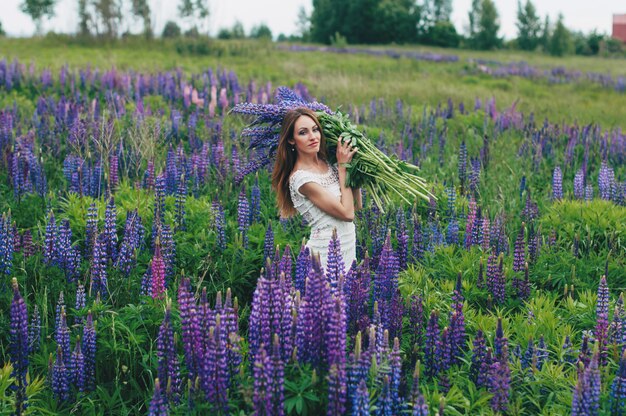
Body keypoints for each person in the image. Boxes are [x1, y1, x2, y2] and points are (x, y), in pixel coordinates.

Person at [272, 107, 362, 273]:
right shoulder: (302, 179)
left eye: (315, 130)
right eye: (303, 132)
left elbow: (356, 206)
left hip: (348, 246)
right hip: (325, 253)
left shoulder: (328, 162)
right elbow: (347, 214)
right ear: (291, 140)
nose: (313, 137)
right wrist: (343, 166)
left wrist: (355, 168)